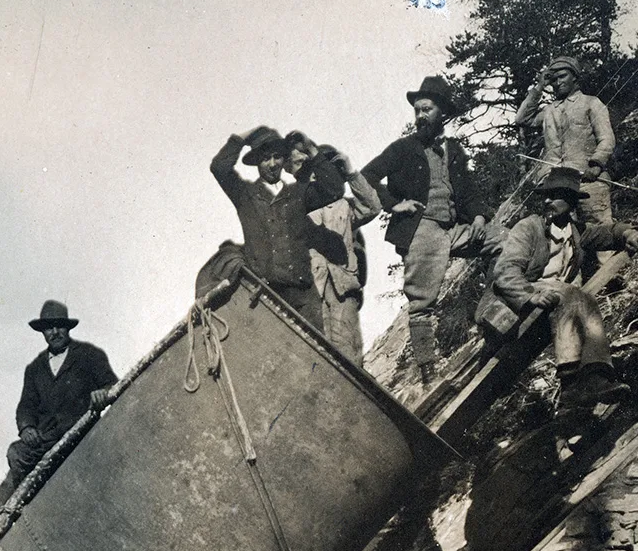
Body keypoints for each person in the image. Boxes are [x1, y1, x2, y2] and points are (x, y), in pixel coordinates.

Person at [362, 75, 490, 387]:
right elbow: (366, 176)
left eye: (427, 109)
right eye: (417, 110)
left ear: (442, 113)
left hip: (455, 226)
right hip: (422, 228)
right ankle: (428, 371)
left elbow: (468, 191)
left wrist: (479, 217)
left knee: (500, 240)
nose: (420, 116)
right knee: (421, 301)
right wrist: (393, 204)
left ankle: (497, 311)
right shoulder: (403, 149)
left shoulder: (455, 150)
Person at [477, 166, 638, 412]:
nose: (549, 201)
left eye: (556, 195)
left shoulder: (574, 232)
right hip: (514, 302)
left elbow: (606, 232)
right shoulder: (528, 227)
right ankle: (572, 381)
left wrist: (627, 232)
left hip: (554, 299)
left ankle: (596, 376)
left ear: (571, 202)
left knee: (583, 300)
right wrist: (531, 296)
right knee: (573, 294)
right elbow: (505, 273)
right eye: (547, 196)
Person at [208, 126, 345, 327]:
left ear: (283, 159)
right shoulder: (245, 195)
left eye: (277, 157)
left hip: (303, 297)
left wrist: (311, 149)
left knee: (314, 354)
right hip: (265, 297)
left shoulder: (298, 193)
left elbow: (335, 189)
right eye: (265, 158)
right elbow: (219, 167)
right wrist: (245, 138)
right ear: (256, 162)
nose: (272, 164)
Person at [0, 300, 117, 512]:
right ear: (42, 332)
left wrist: (102, 393)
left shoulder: (89, 355)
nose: (55, 332)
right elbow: (26, 407)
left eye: (59, 325)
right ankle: (15, 516)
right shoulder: (34, 369)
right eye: (49, 327)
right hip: (45, 439)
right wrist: (27, 428)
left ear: (67, 327)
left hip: (82, 436)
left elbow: (113, 385)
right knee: (15, 455)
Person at [284, 132, 381, 366]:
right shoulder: (296, 206)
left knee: (350, 356)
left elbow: (373, 206)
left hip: (342, 288)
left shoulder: (344, 207)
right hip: (311, 296)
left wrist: (351, 172)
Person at [515, 55, 615, 226]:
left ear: (575, 77)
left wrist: (596, 165)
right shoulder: (549, 110)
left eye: (562, 76)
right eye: (553, 79)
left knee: (600, 233)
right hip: (555, 184)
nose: (557, 82)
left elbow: (606, 138)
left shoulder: (591, 103)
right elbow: (522, 119)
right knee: (559, 237)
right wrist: (539, 86)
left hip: (587, 181)